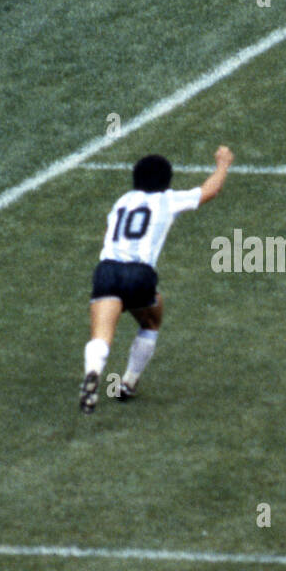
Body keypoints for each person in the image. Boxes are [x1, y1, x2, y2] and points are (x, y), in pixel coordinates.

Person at [79, 147, 234, 413]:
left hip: (107, 269)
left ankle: (93, 372)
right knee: (151, 321)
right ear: (166, 181)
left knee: (102, 335)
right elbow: (208, 191)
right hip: (139, 274)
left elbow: (108, 232)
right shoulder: (167, 200)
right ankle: (127, 382)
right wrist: (223, 164)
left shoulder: (122, 201)